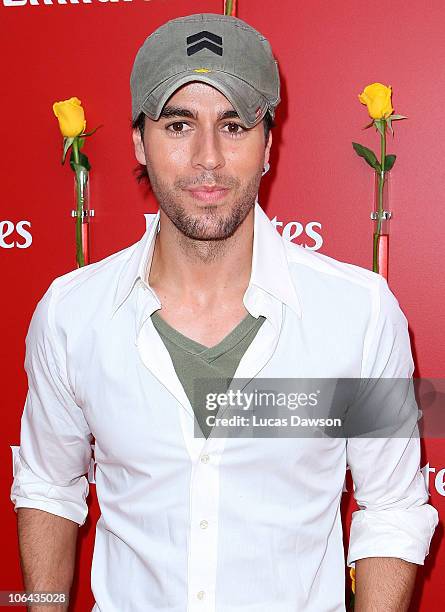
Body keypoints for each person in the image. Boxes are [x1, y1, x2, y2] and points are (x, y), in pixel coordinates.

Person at [11, 12, 438, 612]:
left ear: (268, 142)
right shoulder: (71, 313)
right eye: (179, 124)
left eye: (234, 125)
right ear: (139, 140)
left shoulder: (358, 314)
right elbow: (49, 487)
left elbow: (392, 508)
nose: (208, 158)